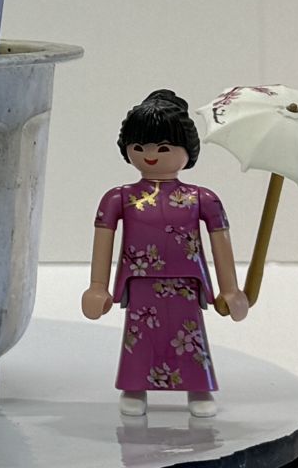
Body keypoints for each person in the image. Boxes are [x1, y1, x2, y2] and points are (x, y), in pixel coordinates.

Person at [81, 89, 248, 417]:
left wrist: (230, 288)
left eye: (163, 147)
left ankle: (198, 388)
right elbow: (103, 240)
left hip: (187, 281)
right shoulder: (118, 198)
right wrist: (97, 286)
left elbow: (220, 242)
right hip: (139, 280)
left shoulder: (202, 198)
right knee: (139, 333)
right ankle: (134, 386)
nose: (150, 155)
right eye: (139, 146)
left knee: (189, 333)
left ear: (187, 150)